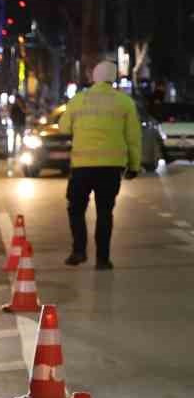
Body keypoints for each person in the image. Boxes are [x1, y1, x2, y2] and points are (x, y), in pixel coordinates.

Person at [60, 60, 140, 270]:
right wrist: (134, 165)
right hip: (111, 168)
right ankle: (103, 260)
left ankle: (78, 251)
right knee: (105, 212)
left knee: (76, 209)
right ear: (113, 78)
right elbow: (133, 137)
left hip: (82, 167)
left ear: (93, 77)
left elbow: (63, 128)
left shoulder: (78, 100)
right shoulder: (124, 102)